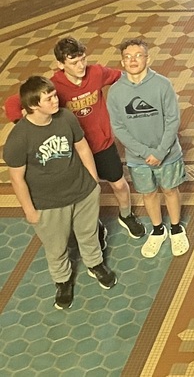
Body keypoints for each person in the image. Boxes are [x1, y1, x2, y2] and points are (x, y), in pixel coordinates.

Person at [3, 36, 145, 239]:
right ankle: (94, 226)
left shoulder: (96, 73)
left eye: (83, 59)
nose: (81, 66)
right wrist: (24, 121)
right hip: (74, 151)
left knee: (120, 185)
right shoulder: (53, 86)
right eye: (74, 62)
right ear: (60, 64)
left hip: (102, 144)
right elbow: (12, 103)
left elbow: (122, 76)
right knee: (86, 196)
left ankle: (126, 215)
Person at [4, 76, 114, 310]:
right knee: (56, 247)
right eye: (49, 98)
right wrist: (30, 210)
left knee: (88, 233)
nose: (56, 100)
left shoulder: (66, 117)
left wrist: (93, 181)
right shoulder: (19, 137)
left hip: (82, 192)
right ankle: (63, 281)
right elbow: (17, 178)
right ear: (34, 105)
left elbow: (82, 146)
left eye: (54, 95)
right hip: (48, 204)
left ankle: (95, 264)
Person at [106, 39, 190, 258]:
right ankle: (158, 229)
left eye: (138, 55)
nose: (133, 60)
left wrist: (161, 152)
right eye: (128, 57)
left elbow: (173, 119)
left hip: (168, 154)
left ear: (148, 58)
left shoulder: (162, 85)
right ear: (122, 61)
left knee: (170, 190)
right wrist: (144, 153)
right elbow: (118, 127)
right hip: (137, 158)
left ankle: (175, 227)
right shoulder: (115, 92)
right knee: (149, 193)